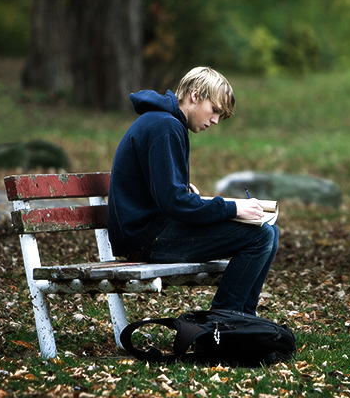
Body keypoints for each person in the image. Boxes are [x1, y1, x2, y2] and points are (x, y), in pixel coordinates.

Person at [107, 66, 279, 315]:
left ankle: (244, 320)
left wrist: (184, 190)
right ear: (195, 95)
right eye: (215, 110)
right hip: (145, 238)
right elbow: (174, 203)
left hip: (150, 229)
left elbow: (165, 191)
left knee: (269, 232)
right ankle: (224, 320)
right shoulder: (165, 126)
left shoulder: (163, 122)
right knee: (260, 236)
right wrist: (234, 207)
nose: (215, 121)